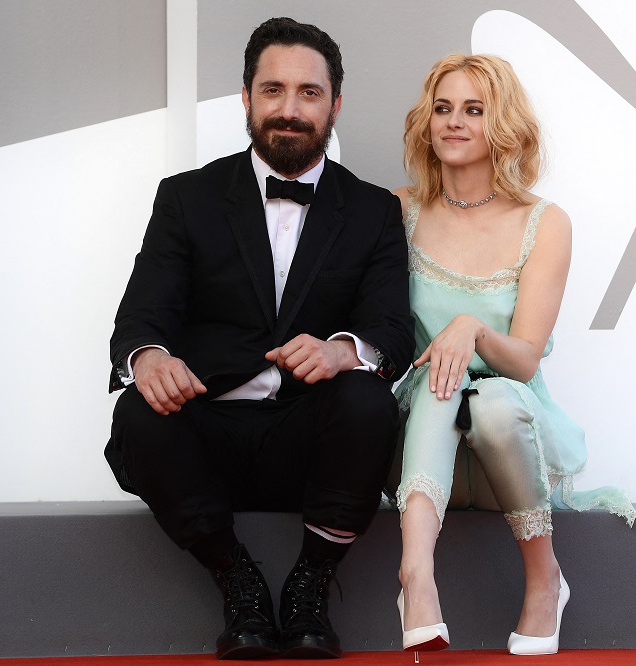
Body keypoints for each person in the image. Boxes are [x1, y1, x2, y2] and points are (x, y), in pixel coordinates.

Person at [104, 17, 414, 661]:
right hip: (208, 436)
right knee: (137, 408)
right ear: (246, 99)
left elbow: (390, 328)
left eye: (309, 92)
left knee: (368, 401)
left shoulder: (374, 209)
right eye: (273, 90)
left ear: (334, 104)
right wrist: (150, 356)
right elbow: (140, 316)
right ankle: (236, 579)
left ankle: (310, 585)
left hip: (310, 446)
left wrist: (342, 350)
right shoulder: (186, 198)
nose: (290, 109)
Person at [391, 54, 635, 656]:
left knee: (494, 398)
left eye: (474, 110)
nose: (454, 122)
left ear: (502, 125)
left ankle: (544, 578)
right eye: (442, 109)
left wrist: (471, 329)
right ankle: (415, 575)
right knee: (438, 381)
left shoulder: (543, 222)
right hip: (428, 439)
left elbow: (523, 360)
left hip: (510, 447)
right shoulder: (399, 211)